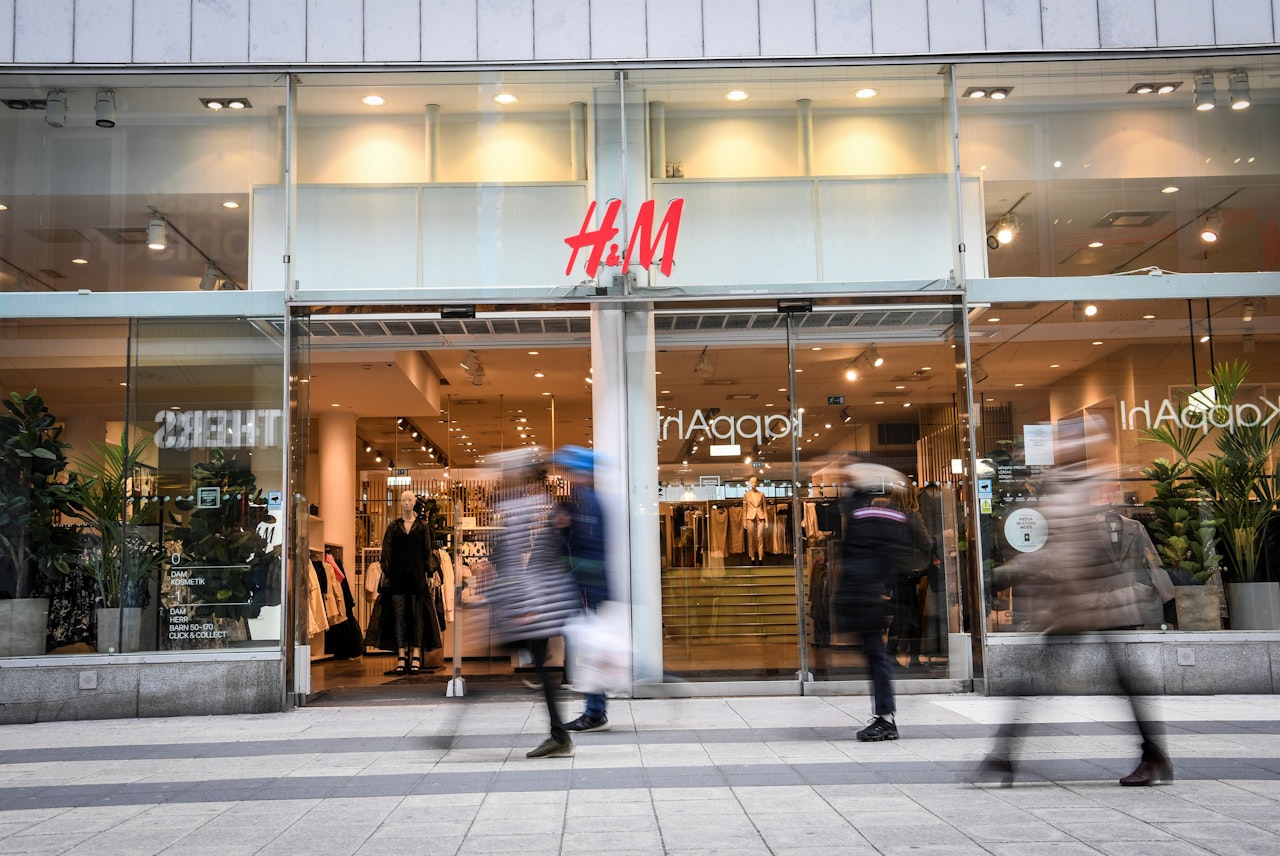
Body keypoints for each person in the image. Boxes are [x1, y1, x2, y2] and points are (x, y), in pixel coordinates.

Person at [979, 419, 1173, 786]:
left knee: (1045, 677)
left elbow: (1074, 549)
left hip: (1092, 601)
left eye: (1066, 442)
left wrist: (1014, 571)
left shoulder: (1084, 484)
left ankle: (1003, 757)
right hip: (1078, 602)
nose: (1059, 447)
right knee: (1069, 677)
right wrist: (1017, 569)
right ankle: (1003, 757)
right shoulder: (1062, 483)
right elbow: (1060, 546)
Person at [488, 447, 584, 758]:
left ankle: (559, 735)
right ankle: (559, 734)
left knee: (540, 669)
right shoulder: (540, 505)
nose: (503, 476)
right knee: (541, 670)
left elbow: (526, 563)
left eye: (507, 471)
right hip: (543, 600)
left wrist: (525, 607)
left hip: (539, 603)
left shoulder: (525, 508)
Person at [833, 461, 912, 742]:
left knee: (877, 656)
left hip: (867, 597)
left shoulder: (871, 518)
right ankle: (885, 716)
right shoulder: (877, 516)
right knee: (875, 655)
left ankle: (886, 718)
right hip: (867, 596)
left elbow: (869, 557)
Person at [553, 444, 613, 733]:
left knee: (591, 650)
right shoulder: (586, 501)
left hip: (590, 589)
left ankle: (595, 712)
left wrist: (571, 577)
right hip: (589, 587)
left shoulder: (590, 502)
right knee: (591, 649)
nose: (570, 476)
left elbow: (592, 549)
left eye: (573, 471)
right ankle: (595, 710)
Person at [371, 490, 442, 675]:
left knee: (417, 617)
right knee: (399, 617)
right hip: (397, 577)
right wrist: (387, 573)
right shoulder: (394, 527)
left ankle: (416, 655)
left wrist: (429, 573)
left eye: (410, 500)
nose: (407, 503)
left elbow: (428, 551)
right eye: (403, 500)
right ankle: (402, 656)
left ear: (415, 502)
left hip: (417, 577)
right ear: (400, 503)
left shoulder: (423, 526)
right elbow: (386, 552)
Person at [743, 476, 767, 565]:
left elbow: (765, 508)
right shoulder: (746, 495)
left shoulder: (761, 494)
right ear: (749, 483)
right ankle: (752, 557)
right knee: (751, 538)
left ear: (757, 483)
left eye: (755, 482)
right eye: (752, 482)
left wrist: (767, 520)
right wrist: (744, 521)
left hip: (760, 516)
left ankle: (760, 557)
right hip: (750, 517)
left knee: (760, 537)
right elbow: (744, 509)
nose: (753, 484)